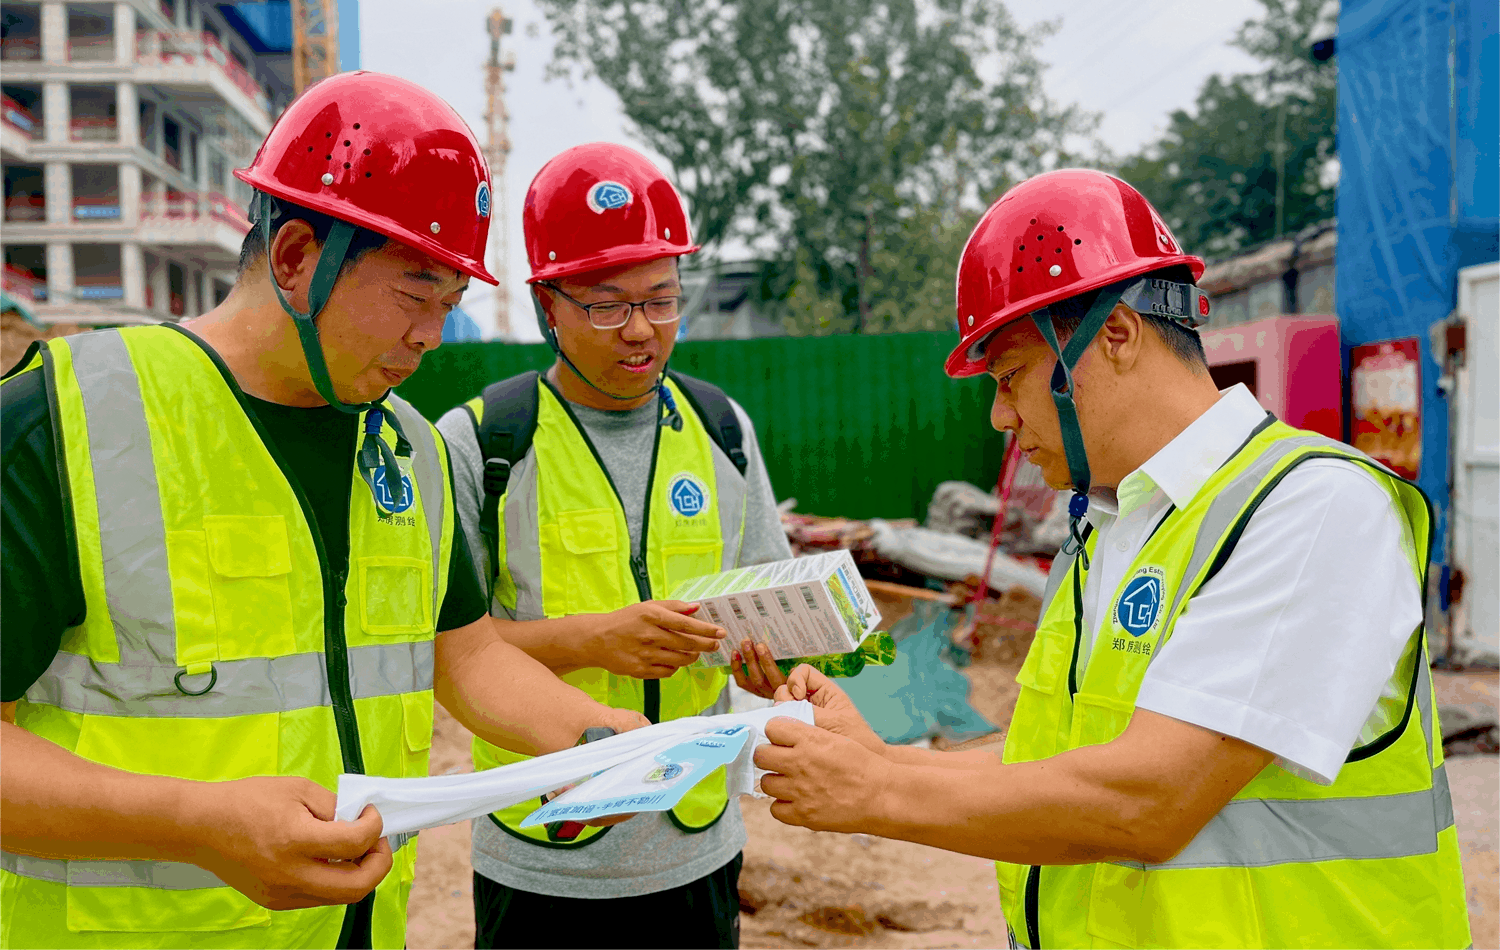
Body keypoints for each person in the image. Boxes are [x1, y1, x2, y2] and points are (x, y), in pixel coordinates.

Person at [0, 72, 646, 950]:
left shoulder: (407, 448)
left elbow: (466, 656)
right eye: (415, 294)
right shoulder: (67, 422)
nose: (431, 336)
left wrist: (597, 738)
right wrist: (194, 823)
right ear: (297, 257)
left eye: (450, 305)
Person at [754, 169, 1471, 949]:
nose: (999, 416)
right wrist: (880, 759)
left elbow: (1150, 799)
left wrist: (879, 792)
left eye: (1010, 377)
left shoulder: (1310, 508)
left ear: (1117, 335)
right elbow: (1059, 764)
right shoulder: (1112, 525)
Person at [434, 142, 793, 949]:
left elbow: (766, 598)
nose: (641, 331)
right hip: (541, 857)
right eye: (606, 305)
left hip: (698, 845)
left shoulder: (722, 428)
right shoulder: (483, 442)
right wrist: (594, 639)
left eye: (662, 300)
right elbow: (446, 651)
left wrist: (770, 660)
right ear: (548, 305)